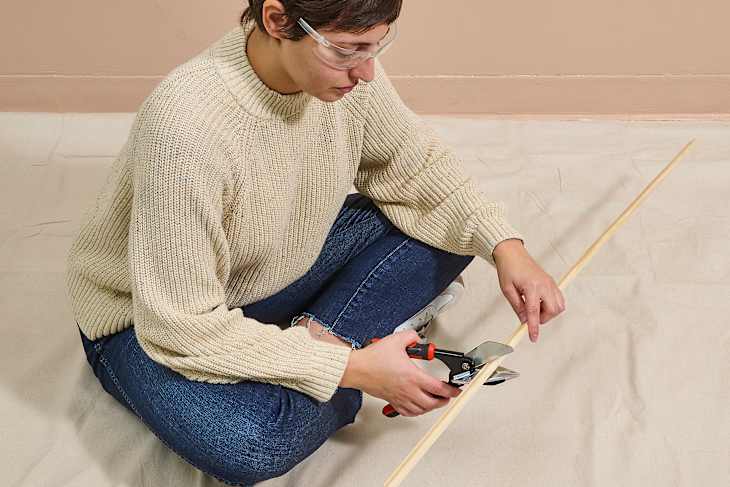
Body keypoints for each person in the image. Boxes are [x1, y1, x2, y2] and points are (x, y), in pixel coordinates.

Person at [66, 0, 565, 484]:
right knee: (253, 442)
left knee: (447, 227)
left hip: (275, 265)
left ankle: (318, 341)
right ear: (277, 19)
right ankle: (351, 353)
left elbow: (416, 167)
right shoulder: (185, 127)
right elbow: (180, 325)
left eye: (376, 47)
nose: (366, 73)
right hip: (148, 320)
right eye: (347, 51)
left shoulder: (349, 78)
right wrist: (352, 370)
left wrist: (507, 248)